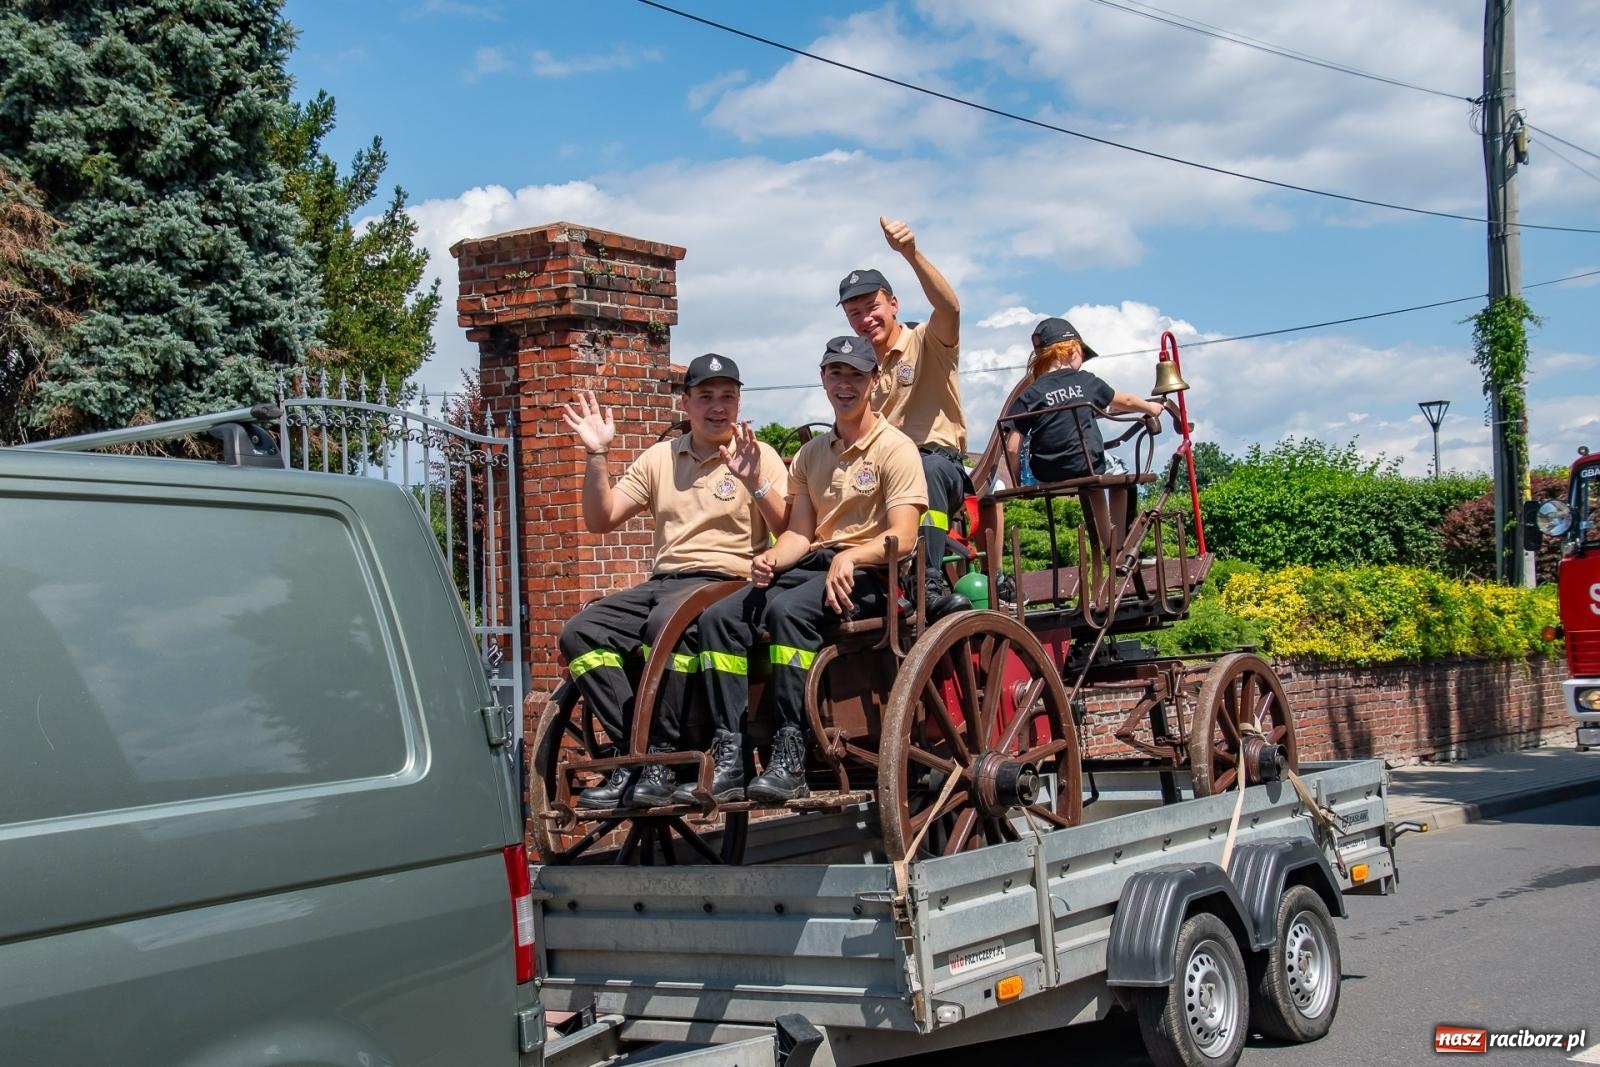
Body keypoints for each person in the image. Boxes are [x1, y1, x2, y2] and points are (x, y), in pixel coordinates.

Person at [692, 336, 927, 803]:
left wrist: (852, 555)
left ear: (875, 382)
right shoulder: (811, 454)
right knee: (718, 619)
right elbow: (799, 535)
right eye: (836, 374)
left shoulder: (896, 449)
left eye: (856, 375)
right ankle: (731, 755)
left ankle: (790, 754)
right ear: (823, 379)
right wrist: (771, 559)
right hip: (820, 566)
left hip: (875, 575)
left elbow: (904, 534)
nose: (845, 385)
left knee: (787, 613)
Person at [558, 354, 788, 810]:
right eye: (706, 397)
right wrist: (597, 454)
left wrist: (755, 479)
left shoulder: (759, 456)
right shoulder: (659, 458)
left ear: (740, 401)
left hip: (728, 583)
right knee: (580, 631)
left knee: (665, 622)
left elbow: (790, 527)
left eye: (727, 396)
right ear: (686, 403)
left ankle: (661, 759)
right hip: (665, 581)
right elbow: (601, 519)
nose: (718, 407)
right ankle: (633, 755)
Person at [838, 216, 970, 618]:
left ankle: (923, 581)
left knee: (923, 467)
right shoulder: (858, 374)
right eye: (854, 312)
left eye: (872, 306)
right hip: (883, 474)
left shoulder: (926, 341)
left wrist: (910, 254)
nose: (865, 319)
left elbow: (950, 307)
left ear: (893, 304)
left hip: (938, 466)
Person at [1003, 317, 1164, 553]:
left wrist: (1019, 483)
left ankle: (1109, 544)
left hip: (1045, 472)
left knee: (1092, 478)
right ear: (1072, 350)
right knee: (1116, 474)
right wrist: (1151, 408)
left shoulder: (1032, 392)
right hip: (1087, 465)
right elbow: (1126, 401)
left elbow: (1012, 446)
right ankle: (1115, 544)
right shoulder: (1086, 382)